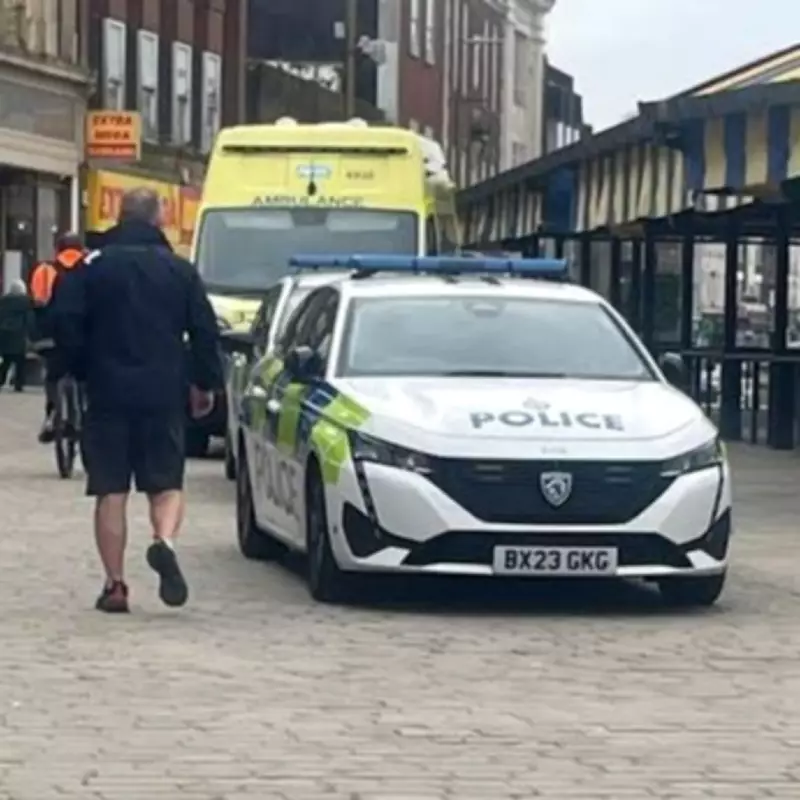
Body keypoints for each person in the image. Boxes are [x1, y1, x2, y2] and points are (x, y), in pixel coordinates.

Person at [53, 188, 223, 614]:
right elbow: (205, 331)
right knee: (166, 484)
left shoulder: (91, 268)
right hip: (163, 390)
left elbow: (64, 319)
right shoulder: (179, 271)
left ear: (119, 216)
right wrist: (205, 384)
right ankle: (163, 541)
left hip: (108, 391)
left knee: (110, 490)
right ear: (159, 219)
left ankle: (115, 585)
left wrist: (77, 367)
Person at [29, 233, 86, 441]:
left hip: (52, 337)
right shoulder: (91, 270)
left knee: (52, 377)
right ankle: (84, 414)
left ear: (57, 250)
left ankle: (53, 415)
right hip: (83, 338)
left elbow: (39, 301)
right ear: (81, 249)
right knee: (86, 376)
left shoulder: (45, 270)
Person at [0, 279, 33, 392]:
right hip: (19, 334)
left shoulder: (3, 301)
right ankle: (18, 384)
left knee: (6, 360)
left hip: (5, 334)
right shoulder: (26, 302)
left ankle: (1, 380)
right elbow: (29, 319)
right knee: (20, 362)